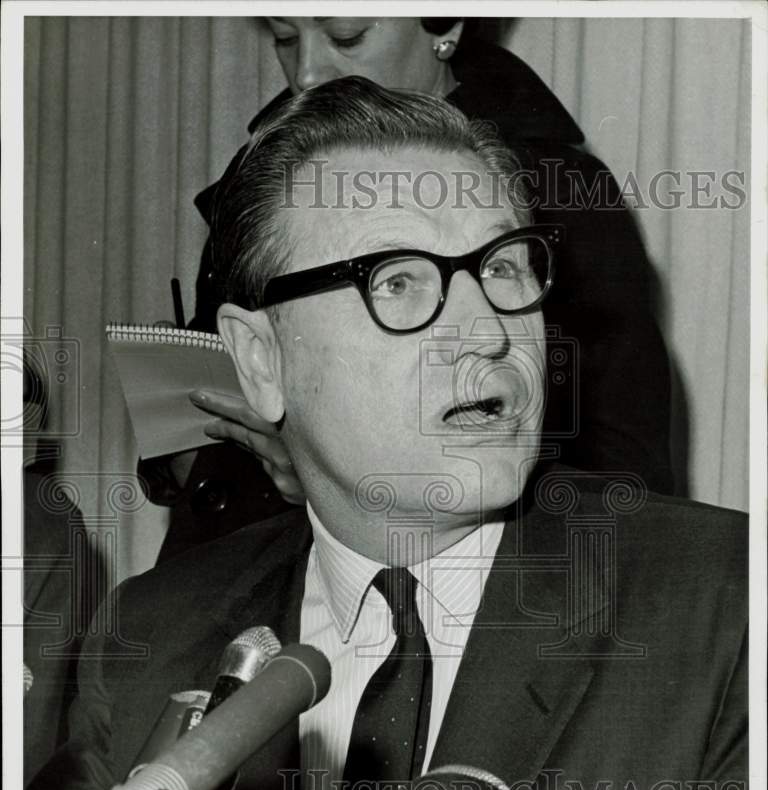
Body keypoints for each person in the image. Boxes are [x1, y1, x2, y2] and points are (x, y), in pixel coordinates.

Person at [26, 79, 746, 790]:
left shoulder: (724, 603)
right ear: (260, 360)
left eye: (505, 268)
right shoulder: (153, 638)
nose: (488, 332)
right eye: (398, 280)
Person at [142, 16, 674, 562]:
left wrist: (335, 484)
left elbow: (625, 477)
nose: (306, 73)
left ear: (446, 24)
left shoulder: (560, 192)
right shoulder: (267, 182)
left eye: (346, 37)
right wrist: (189, 455)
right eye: (285, 38)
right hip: (236, 575)